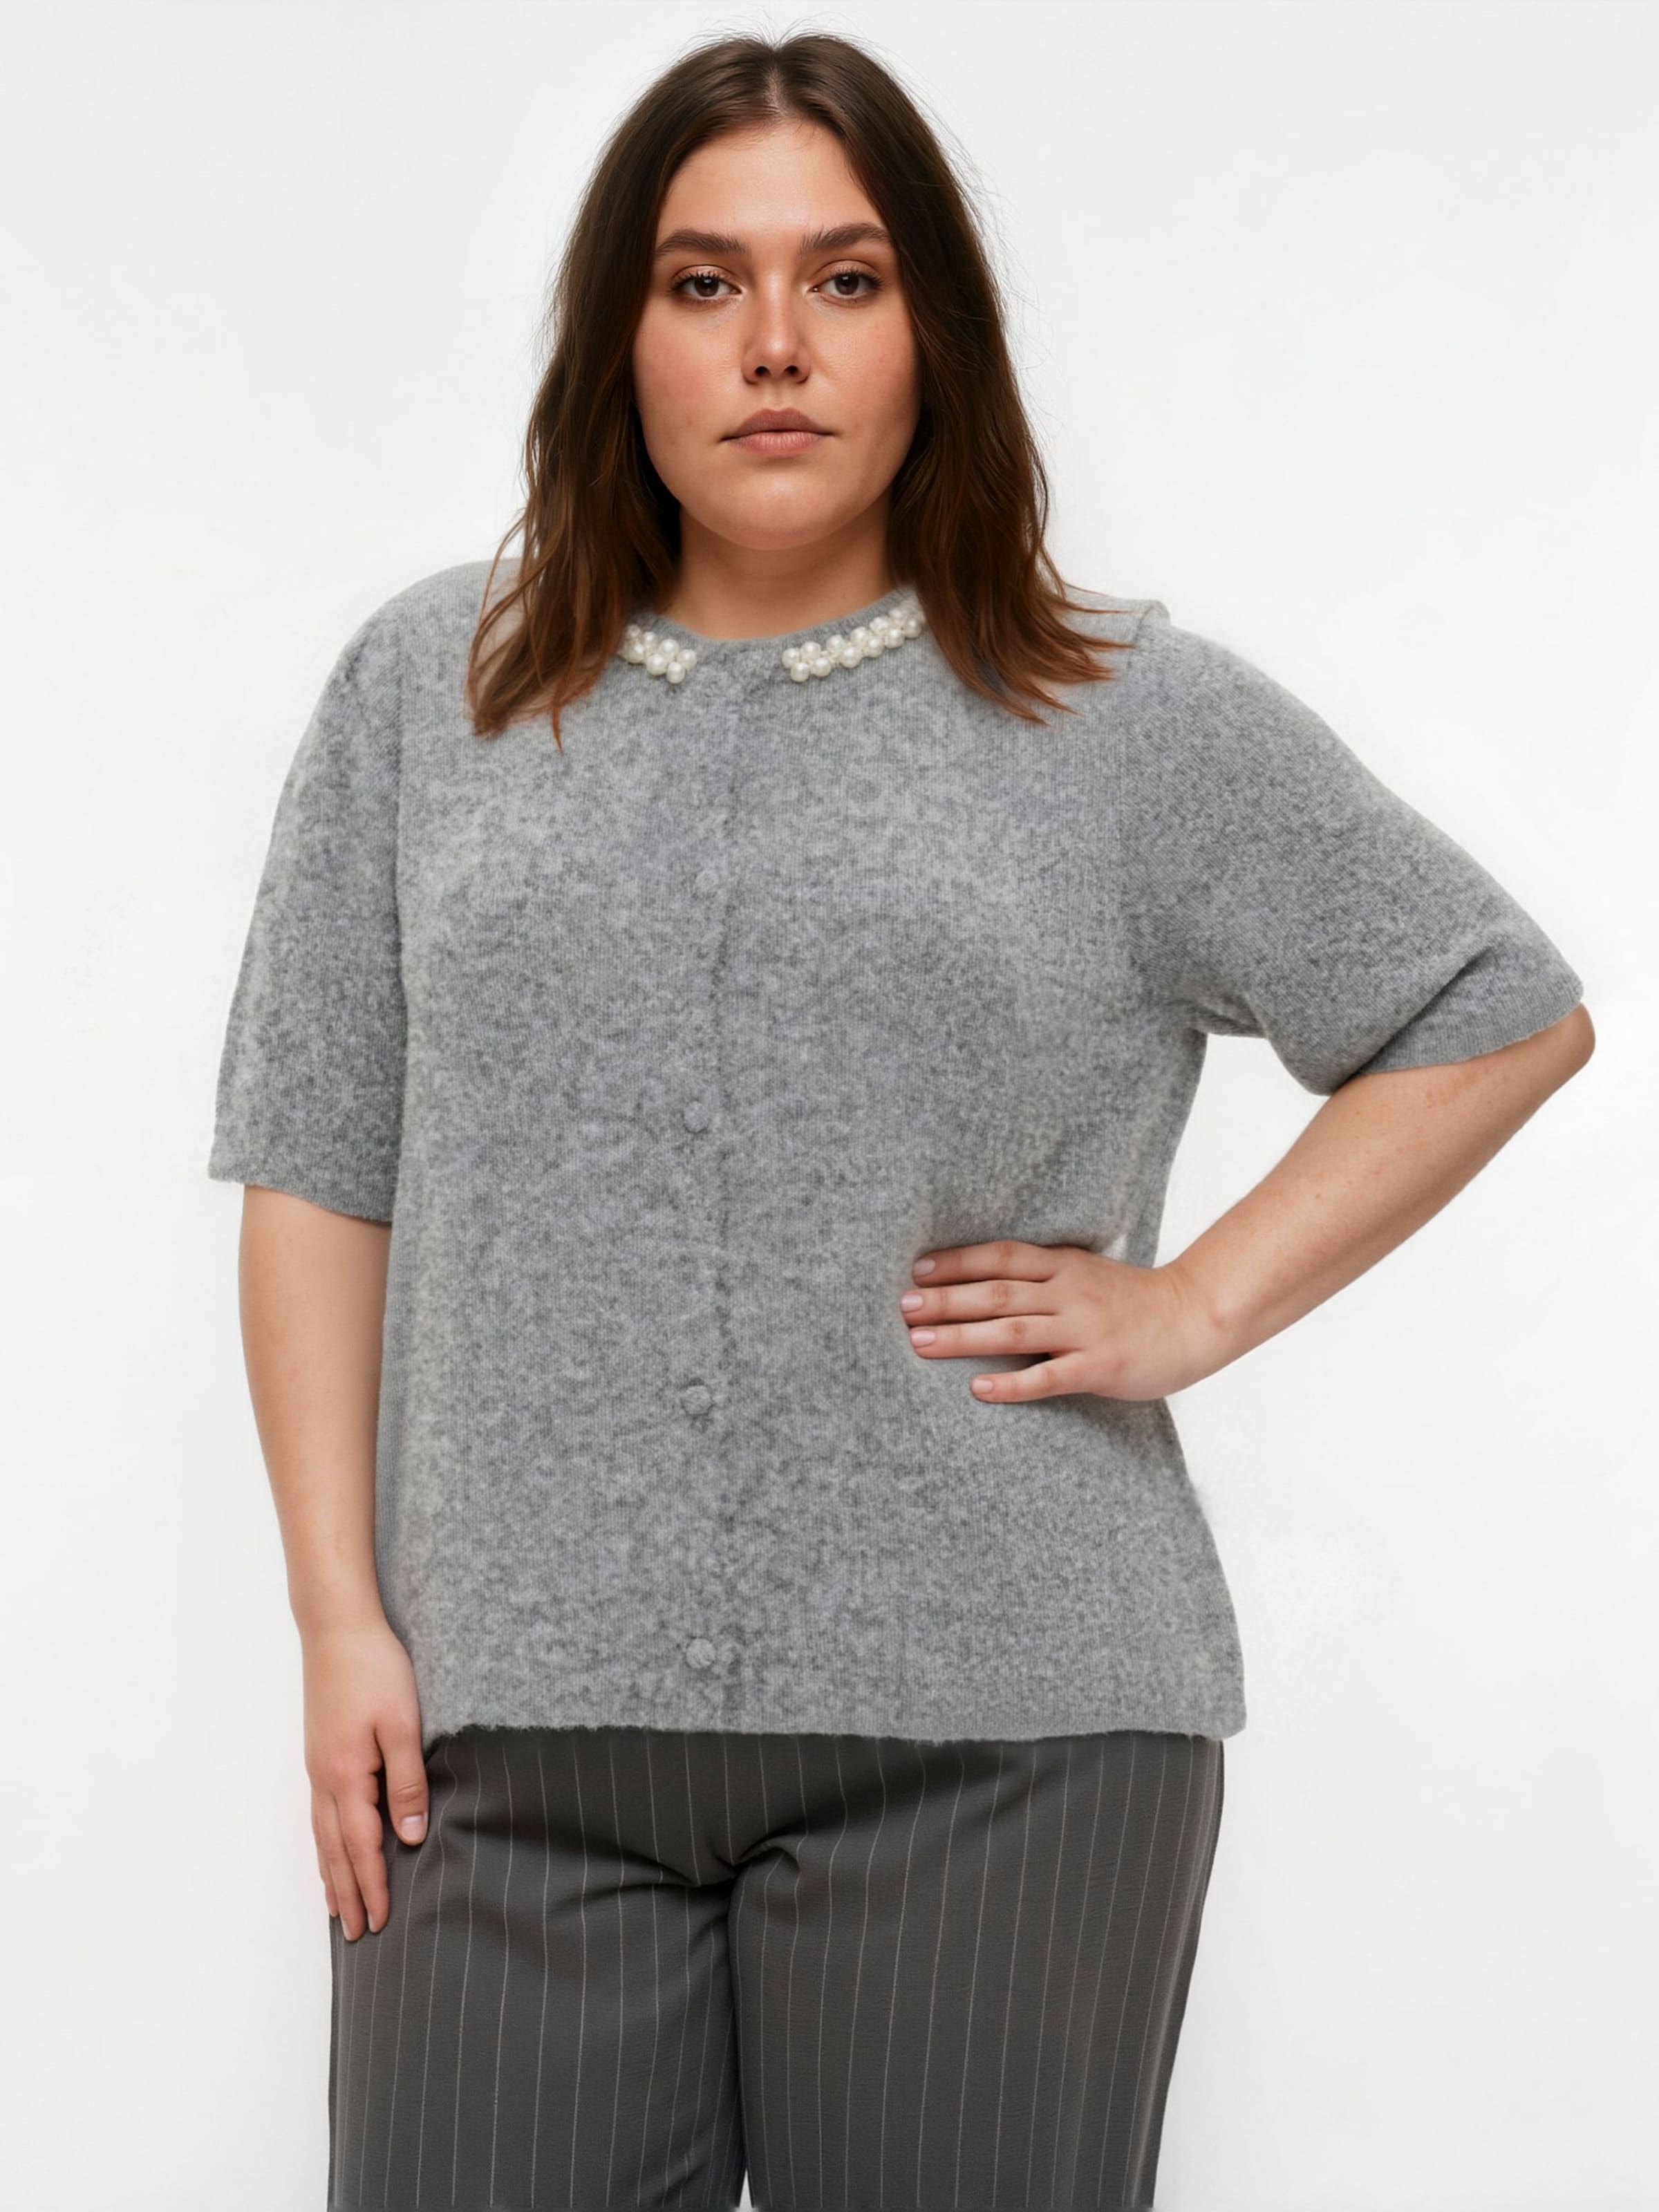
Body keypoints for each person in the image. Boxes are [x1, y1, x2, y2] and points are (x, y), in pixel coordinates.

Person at [207, 31, 1593, 2212]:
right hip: (504, 1733)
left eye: (846, 280)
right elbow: (317, 1160)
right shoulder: (431, 691)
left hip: (1009, 1738)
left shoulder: (1117, 714)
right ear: (619, 340)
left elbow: (1492, 1006)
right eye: (704, 283)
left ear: (933, 328)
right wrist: (339, 1621)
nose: (776, 343)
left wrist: (1194, 1306)